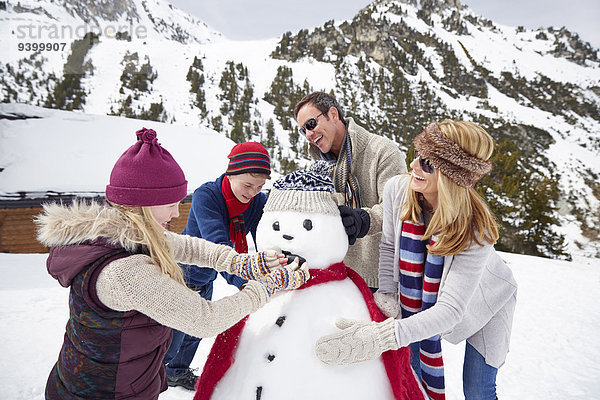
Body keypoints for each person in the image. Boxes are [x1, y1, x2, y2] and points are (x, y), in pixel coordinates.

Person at [36, 128, 309, 400]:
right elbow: (205, 319)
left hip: (122, 381)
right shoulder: (124, 273)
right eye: (170, 204)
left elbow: (189, 246)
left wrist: (242, 263)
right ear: (144, 203)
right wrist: (264, 287)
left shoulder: (130, 231)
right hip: (103, 392)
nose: (177, 213)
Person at [315, 120, 517, 400]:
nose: (413, 167)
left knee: (477, 390)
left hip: (487, 303)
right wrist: (386, 291)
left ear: (452, 177)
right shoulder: (398, 190)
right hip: (427, 303)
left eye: (427, 164)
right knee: (412, 375)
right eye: (416, 156)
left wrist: (383, 336)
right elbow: (388, 246)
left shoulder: (475, 229)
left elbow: (450, 310)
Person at [164, 141, 272, 390]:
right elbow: (217, 247)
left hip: (207, 275)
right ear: (231, 173)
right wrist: (247, 281)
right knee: (174, 333)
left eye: (259, 187)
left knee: (196, 331)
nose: (253, 192)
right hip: (184, 271)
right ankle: (153, 378)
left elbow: (263, 237)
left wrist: (270, 265)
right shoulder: (207, 196)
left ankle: (176, 373)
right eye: (247, 185)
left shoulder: (256, 202)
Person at [294, 91, 407, 290]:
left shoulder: (383, 151)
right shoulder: (318, 167)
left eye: (311, 124)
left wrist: (363, 220)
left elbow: (399, 208)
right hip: (338, 277)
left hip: (381, 280)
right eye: (303, 130)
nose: (309, 135)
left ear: (333, 114)